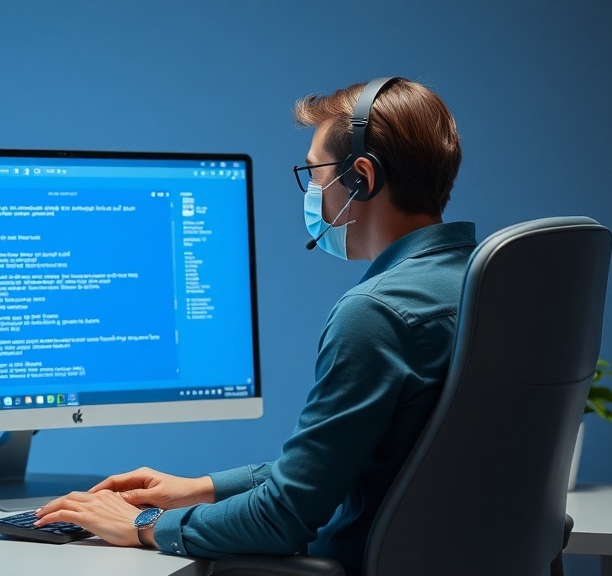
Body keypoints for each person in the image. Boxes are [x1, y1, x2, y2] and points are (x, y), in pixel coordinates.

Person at [34, 77, 477, 575]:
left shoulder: (377, 314)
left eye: (314, 173)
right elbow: (335, 463)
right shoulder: (483, 284)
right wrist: (201, 488)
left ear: (361, 177)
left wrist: (144, 524)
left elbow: (283, 518)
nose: (311, 191)